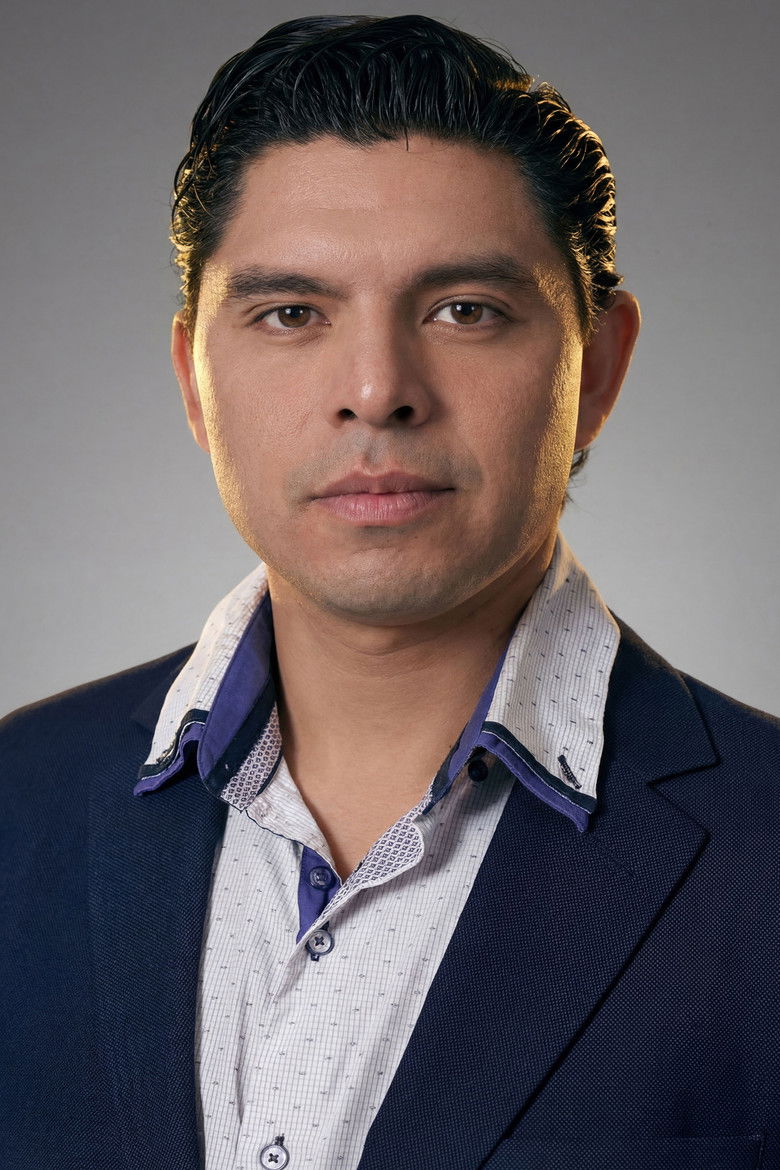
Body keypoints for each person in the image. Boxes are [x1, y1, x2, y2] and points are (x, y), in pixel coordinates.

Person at [1, 12, 778, 1170]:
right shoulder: (16, 804)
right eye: (291, 314)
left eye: (466, 309)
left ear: (598, 368)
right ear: (195, 382)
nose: (377, 389)